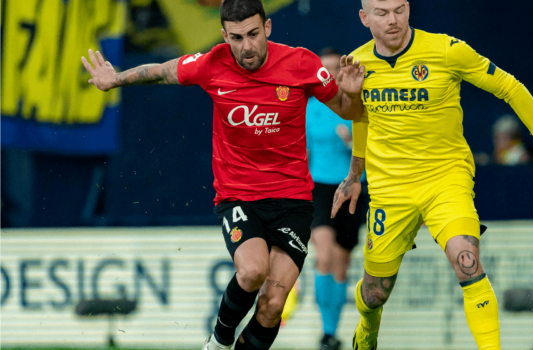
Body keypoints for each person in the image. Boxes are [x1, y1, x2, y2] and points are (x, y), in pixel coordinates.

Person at [81, 1, 366, 349]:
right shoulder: (212, 63)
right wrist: (116, 79)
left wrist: (352, 94)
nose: (247, 46)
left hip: (293, 200)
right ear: (224, 35)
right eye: (236, 37)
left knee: (273, 305)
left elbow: (348, 110)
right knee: (251, 271)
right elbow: (162, 70)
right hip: (238, 194)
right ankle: (218, 341)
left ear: (269, 28)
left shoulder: (301, 63)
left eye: (253, 34)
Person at [331, 1, 533, 349]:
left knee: (467, 260)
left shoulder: (446, 50)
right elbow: (362, 118)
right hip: (391, 188)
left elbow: (509, 86)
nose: (393, 20)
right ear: (364, 18)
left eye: (400, 9)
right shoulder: (358, 63)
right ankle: (367, 332)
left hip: (446, 179)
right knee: (375, 293)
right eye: (382, 12)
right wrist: (354, 174)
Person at [307, 47, 368, 350]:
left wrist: (351, 141)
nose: (329, 74)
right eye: (324, 68)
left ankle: (331, 332)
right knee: (323, 256)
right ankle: (325, 330)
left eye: (334, 68)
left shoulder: (357, 104)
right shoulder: (309, 106)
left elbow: (374, 146)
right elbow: (299, 151)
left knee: (342, 264)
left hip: (353, 186)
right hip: (318, 187)